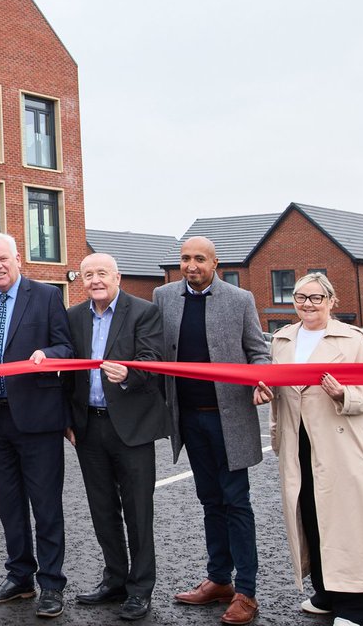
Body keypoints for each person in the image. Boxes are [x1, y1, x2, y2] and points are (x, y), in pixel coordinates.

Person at [253, 273, 363, 626]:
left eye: (316, 298)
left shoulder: (353, 339)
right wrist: (265, 392)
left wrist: (345, 395)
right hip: (299, 444)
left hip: (343, 445)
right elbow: (281, 387)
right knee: (311, 518)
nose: (308, 304)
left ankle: (355, 610)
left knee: (350, 524)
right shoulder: (283, 340)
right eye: (301, 297)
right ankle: (326, 593)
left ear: (332, 301)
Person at [153, 236, 269, 626]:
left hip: (229, 418)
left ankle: (246, 592)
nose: (191, 265)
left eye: (199, 259)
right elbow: (155, 352)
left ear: (215, 263)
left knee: (236, 502)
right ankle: (219, 579)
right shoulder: (163, 297)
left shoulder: (240, 300)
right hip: (188, 420)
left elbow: (258, 352)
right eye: (185, 258)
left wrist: (260, 380)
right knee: (210, 502)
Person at [0, 232, 74, 619]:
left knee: (46, 506)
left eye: (2, 259)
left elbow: (67, 347)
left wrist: (48, 353)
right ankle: (20, 578)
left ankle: (52, 584)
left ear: (17, 259)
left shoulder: (46, 296)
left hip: (39, 420)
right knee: (10, 505)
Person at [63, 253, 168, 621]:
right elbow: (68, 372)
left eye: (102, 273)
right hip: (88, 427)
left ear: (118, 277)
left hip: (131, 428)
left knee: (138, 511)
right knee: (103, 509)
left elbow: (153, 360)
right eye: (88, 274)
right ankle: (115, 580)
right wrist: (68, 419)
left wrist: (129, 375)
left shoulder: (143, 312)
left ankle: (140, 589)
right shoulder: (74, 316)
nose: (95, 280)